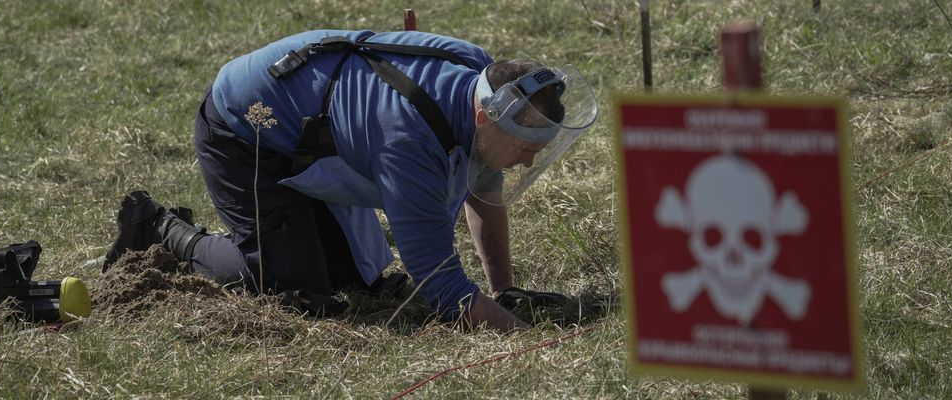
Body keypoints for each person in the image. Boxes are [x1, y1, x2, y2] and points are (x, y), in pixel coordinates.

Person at [103, 29, 598, 330]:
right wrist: (514, 329)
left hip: (311, 132)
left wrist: (504, 290)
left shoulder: (479, 80)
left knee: (352, 279)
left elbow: (484, 183)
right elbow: (441, 285)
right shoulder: (409, 140)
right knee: (290, 285)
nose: (529, 165)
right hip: (243, 131)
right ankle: (161, 230)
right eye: (528, 150)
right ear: (488, 118)